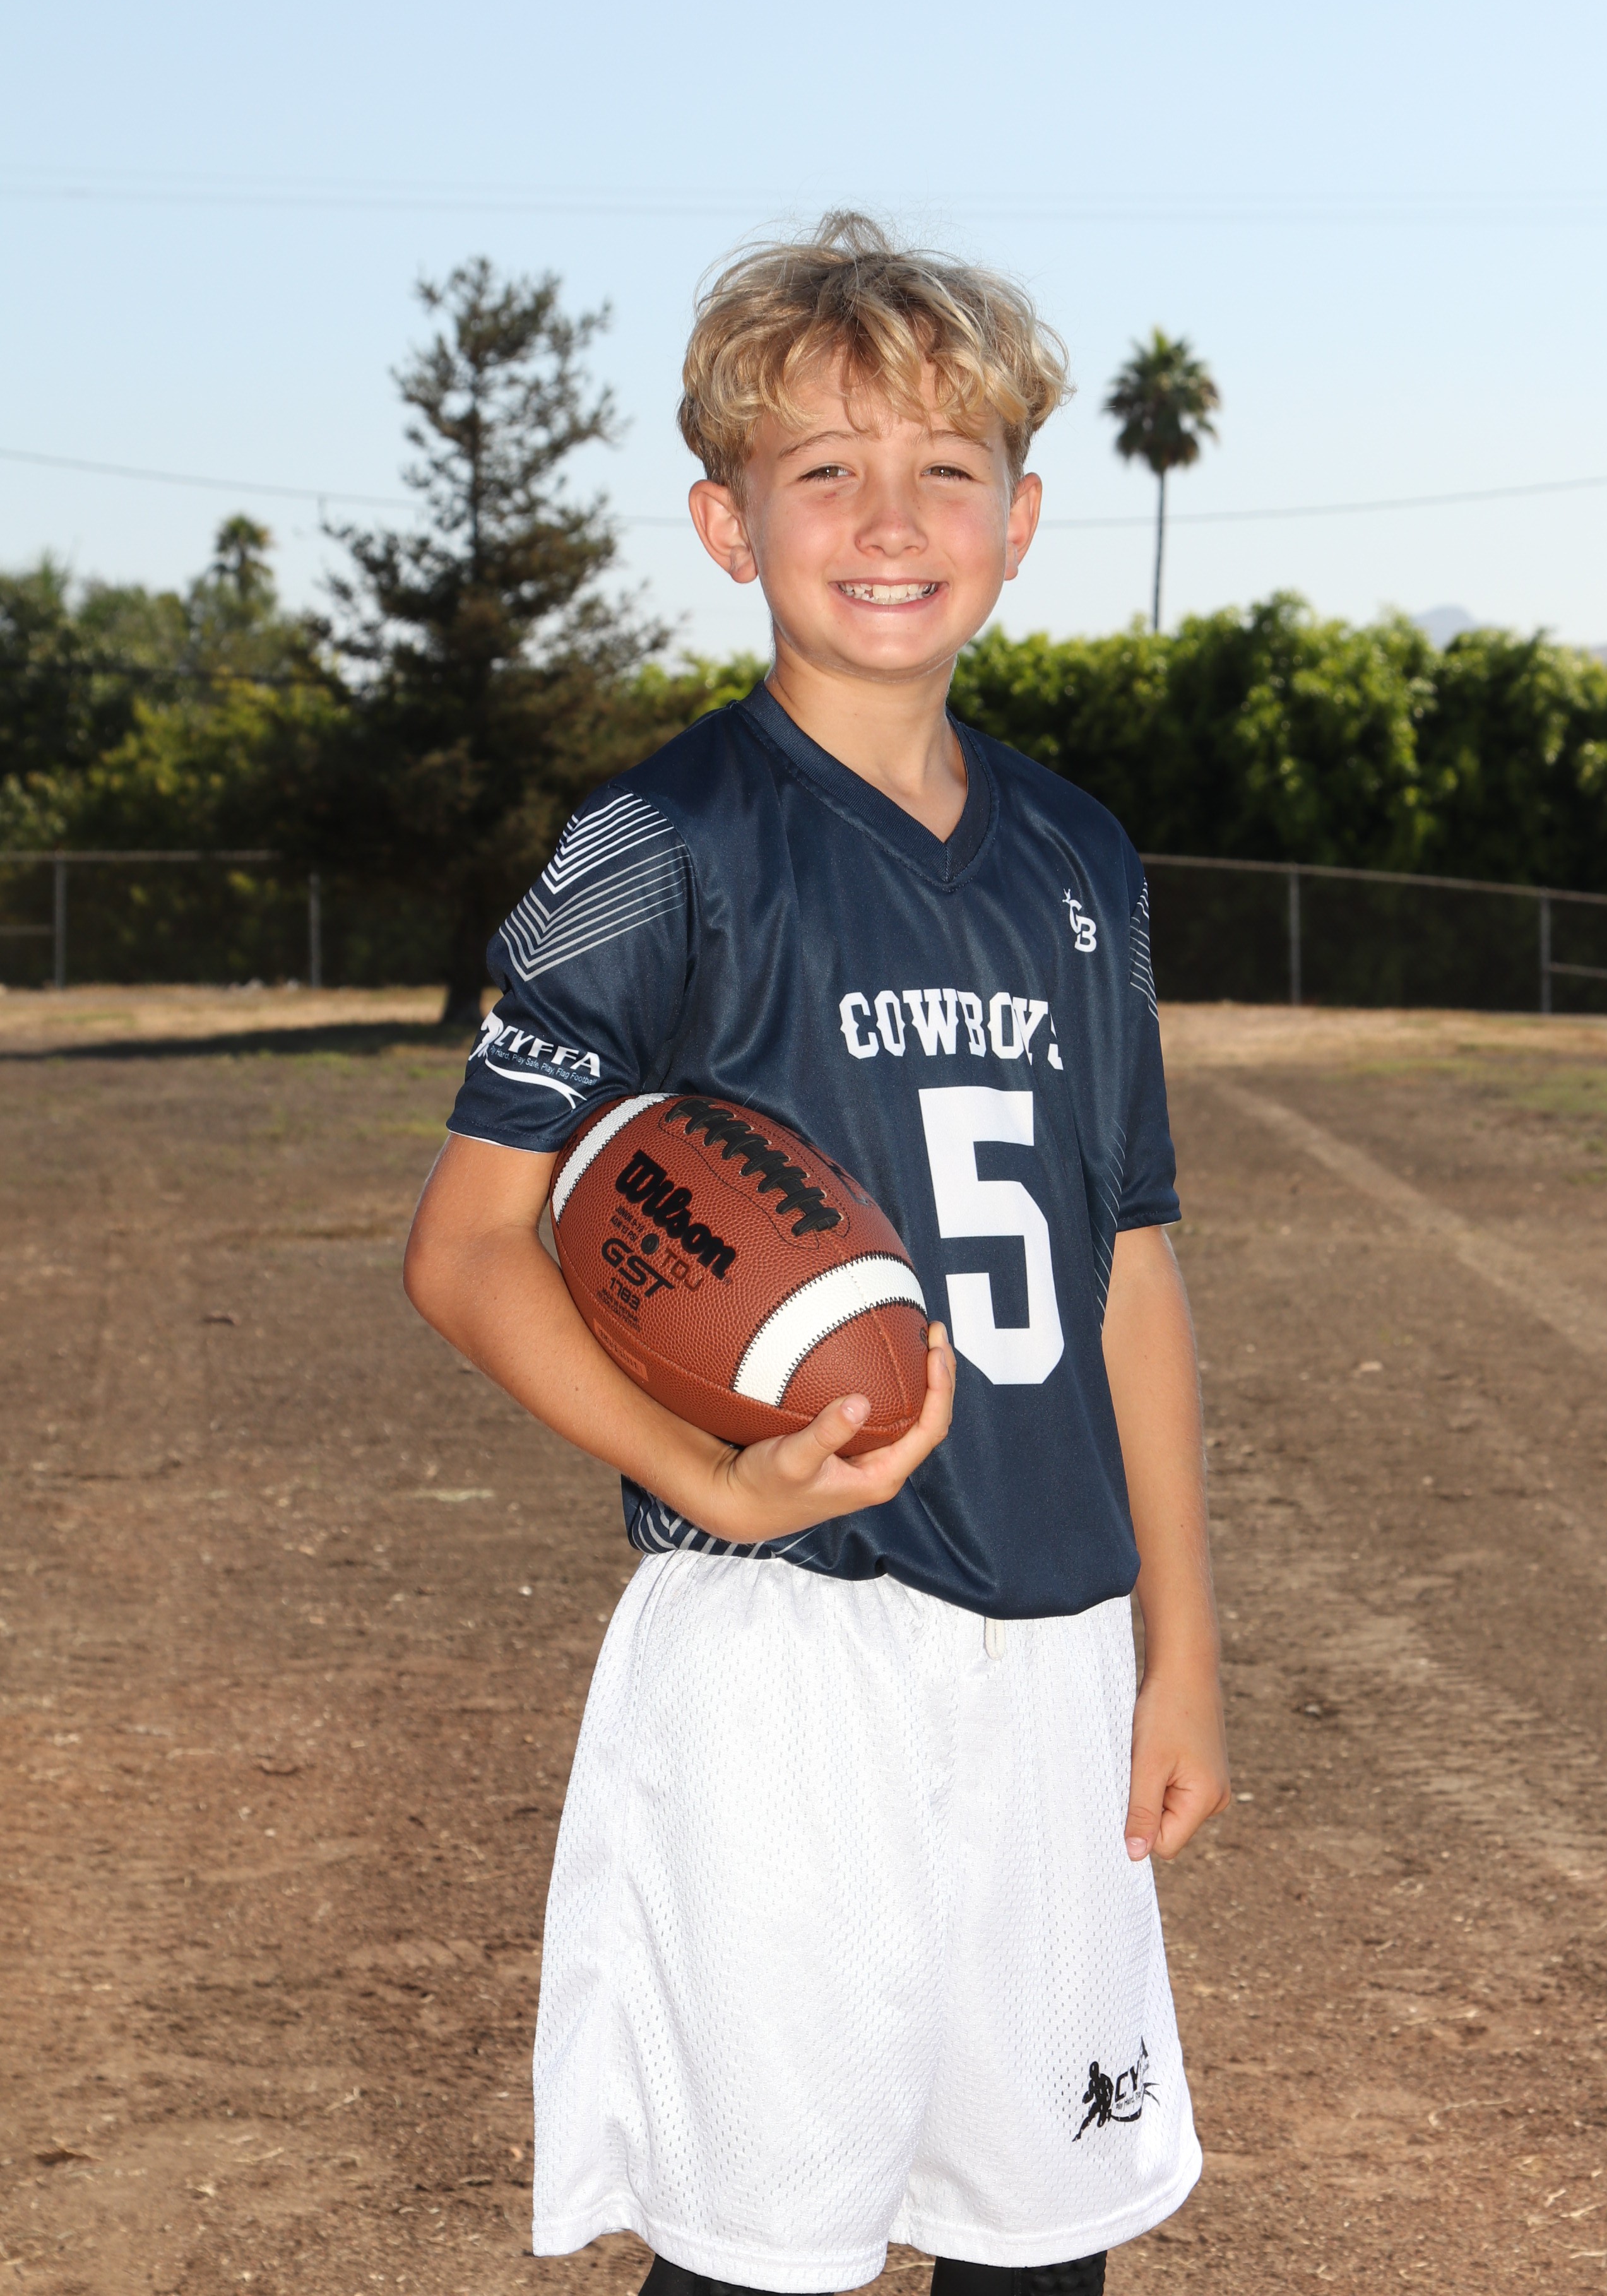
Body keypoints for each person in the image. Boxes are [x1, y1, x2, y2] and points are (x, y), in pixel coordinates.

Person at [404, 212, 1229, 2296]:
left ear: (1020, 521)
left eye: (947, 470)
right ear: (727, 522)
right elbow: (472, 1246)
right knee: (755, 2261)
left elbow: (1131, 1263)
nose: (890, 521)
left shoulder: (1081, 857)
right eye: (825, 471)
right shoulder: (659, 844)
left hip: (1055, 1648)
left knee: (1044, 2245)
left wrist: (1182, 1646)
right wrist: (711, 1475)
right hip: (792, 1646)